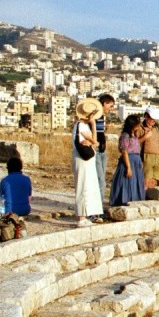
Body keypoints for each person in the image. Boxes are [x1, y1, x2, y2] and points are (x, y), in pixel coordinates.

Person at [72, 97, 104, 226]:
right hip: (82, 158)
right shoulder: (81, 125)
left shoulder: (83, 125)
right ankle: (81, 217)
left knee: (87, 185)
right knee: (83, 185)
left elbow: (94, 142)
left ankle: (84, 215)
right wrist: (93, 139)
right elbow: (95, 142)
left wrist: (93, 126)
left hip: (85, 158)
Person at [109, 114, 146, 207]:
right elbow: (124, 151)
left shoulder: (134, 136)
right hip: (129, 161)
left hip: (136, 161)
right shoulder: (125, 135)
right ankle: (123, 201)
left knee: (136, 182)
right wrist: (128, 167)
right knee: (127, 182)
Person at [135, 106, 159, 189]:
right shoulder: (140, 128)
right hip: (146, 156)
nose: (153, 121)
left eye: (154, 119)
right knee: (146, 180)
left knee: (154, 181)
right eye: (151, 119)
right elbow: (135, 143)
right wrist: (145, 137)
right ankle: (143, 197)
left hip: (157, 157)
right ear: (146, 116)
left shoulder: (156, 128)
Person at [94, 93, 116, 201]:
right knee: (100, 181)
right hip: (96, 151)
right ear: (104, 104)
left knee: (102, 180)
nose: (111, 109)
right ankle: (97, 209)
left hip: (102, 151)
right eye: (110, 106)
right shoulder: (95, 116)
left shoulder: (102, 117)